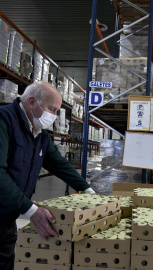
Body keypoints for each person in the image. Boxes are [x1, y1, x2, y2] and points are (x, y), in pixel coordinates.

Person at [0, 81, 96, 270]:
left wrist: (88, 189)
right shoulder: (4, 120)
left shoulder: (40, 134)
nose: (53, 116)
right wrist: (31, 210)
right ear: (32, 102)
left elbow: (58, 163)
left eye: (56, 111)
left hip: (7, 216)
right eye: (51, 109)